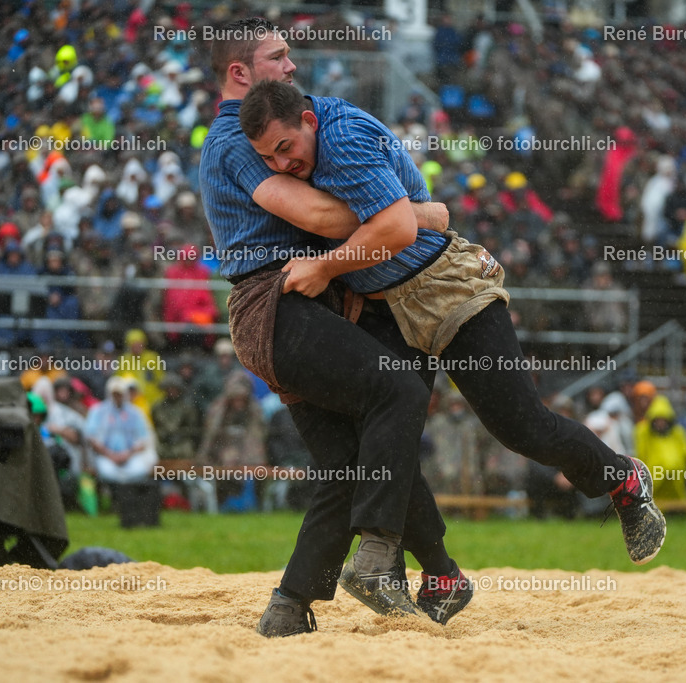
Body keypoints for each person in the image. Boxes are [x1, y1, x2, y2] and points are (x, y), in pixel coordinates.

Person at [241, 80, 664, 556]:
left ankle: (623, 480)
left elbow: (395, 231)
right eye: (268, 159)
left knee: (521, 426)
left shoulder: (343, 139)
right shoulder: (306, 144)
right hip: (388, 306)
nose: (281, 165)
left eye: (285, 148)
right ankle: (438, 573)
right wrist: (421, 214)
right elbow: (402, 218)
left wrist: (326, 265)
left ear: (308, 121)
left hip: (446, 288)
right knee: (388, 438)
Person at [200, 18, 467, 636]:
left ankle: (292, 606)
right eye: (278, 56)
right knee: (399, 391)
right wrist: (415, 214)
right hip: (280, 301)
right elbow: (320, 215)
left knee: (350, 464)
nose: (291, 67)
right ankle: (381, 557)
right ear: (240, 74)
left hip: (296, 302)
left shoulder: (262, 124)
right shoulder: (245, 133)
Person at [84, 376, 157, 484]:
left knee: (139, 469)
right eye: (115, 394)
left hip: (130, 456)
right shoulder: (98, 411)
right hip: (106, 456)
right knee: (107, 471)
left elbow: (143, 439)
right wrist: (110, 454)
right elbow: (91, 438)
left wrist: (127, 454)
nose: (117, 397)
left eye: (120, 394)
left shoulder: (135, 413)